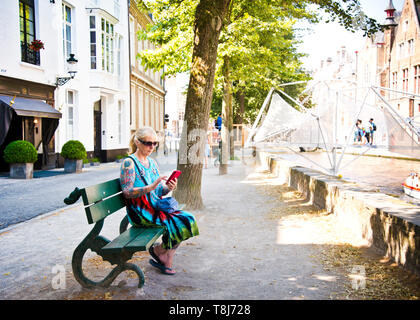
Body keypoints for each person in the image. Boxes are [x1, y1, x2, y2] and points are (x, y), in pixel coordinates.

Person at [120, 127, 199, 275]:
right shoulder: (129, 163)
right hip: (140, 211)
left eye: (155, 143)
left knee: (189, 219)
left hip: (154, 207)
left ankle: (162, 252)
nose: (152, 147)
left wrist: (168, 187)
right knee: (179, 222)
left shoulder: (152, 163)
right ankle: (162, 254)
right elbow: (127, 192)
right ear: (137, 142)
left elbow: (159, 191)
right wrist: (150, 187)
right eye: (148, 143)